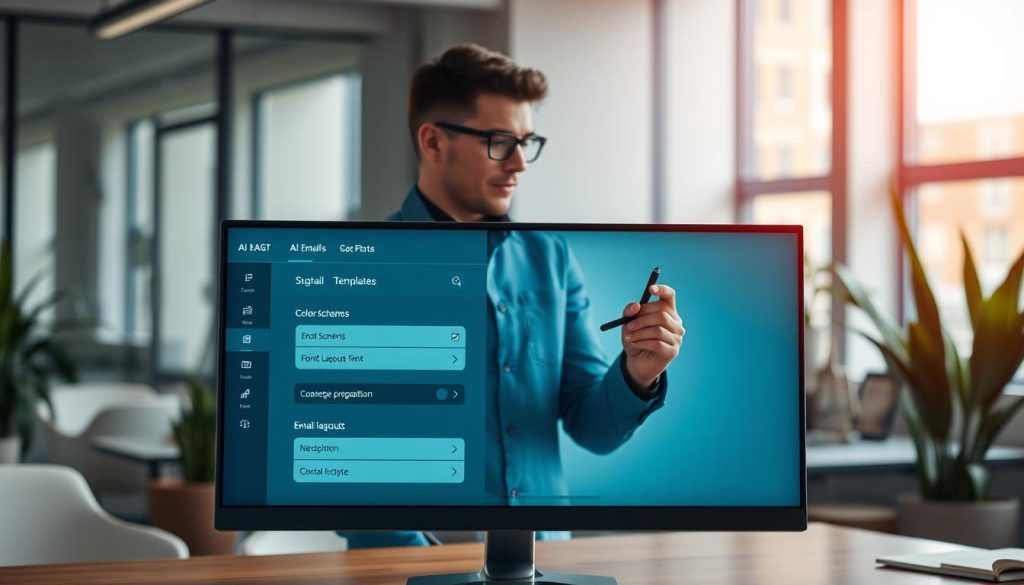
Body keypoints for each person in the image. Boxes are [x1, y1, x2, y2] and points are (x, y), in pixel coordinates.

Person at [341, 44, 685, 549]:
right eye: (501, 142)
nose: (520, 163)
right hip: (409, 573)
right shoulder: (359, 268)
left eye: (528, 141)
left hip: (543, 563)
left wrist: (638, 371)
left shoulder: (551, 256)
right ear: (433, 142)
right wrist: (432, 564)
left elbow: (591, 427)